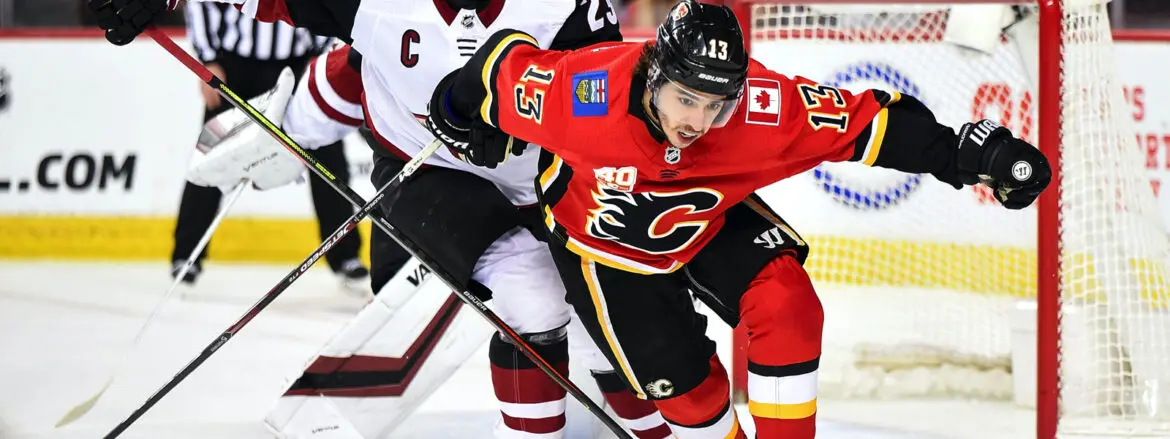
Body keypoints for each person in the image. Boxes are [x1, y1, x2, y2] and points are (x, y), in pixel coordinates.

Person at [418, 1, 1053, 437]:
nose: (696, 121)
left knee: (788, 307)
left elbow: (869, 124)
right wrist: (453, 108)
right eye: (685, 98)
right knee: (693, 405)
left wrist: (974, 154)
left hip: (712, 215)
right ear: (652, 76)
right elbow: (502, 65)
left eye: (717, 105)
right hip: (603, 246)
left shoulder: (762, 110)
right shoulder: (581, 95)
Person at [89, 0, 673, 437]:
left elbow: (607, 94)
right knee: (533, 294)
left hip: (545, 185)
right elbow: (340, 62)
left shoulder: (564, 5)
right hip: (425, 178)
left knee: (608, 333)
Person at [173, 2, 369, 294]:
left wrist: (325, 51)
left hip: (300, 63)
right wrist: (208, 60)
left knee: (329, 160)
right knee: (211, 158)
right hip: (235, 68)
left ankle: (345, 255)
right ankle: (187, 254)